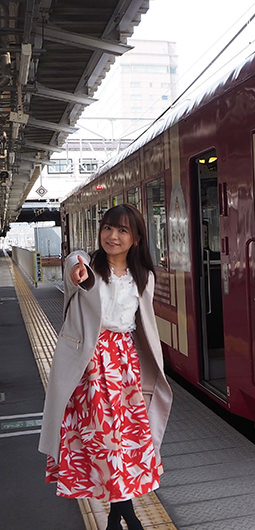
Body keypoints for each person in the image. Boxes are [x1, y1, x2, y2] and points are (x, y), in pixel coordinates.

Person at [39, 204, 173, 530]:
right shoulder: (88, 271)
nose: (112, 236)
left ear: (137, 238)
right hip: (91, 365)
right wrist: (75, 267)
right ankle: (125, 512)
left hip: (125, 363)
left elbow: (142, 326)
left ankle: (118, 512)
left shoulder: (145, 278)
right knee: (104, 438)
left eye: (122, 230)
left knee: (126, 438)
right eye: (108, 228)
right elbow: (75, 262)